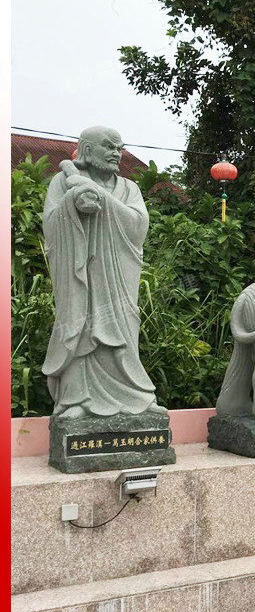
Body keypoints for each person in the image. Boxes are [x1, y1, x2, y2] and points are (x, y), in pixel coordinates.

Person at [42, 126, 164, 418]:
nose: (116, 154)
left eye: (119, 148)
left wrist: (100, 198)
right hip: (80, 276)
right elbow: (51, 225)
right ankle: (76, 400)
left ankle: (136, 398)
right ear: (86, 150)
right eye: (109, 147)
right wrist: (73, 204)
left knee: (122, 332)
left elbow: (138, 227)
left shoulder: (129, 188)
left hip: (118, 276)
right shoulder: (63, 182)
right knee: (80, 328)